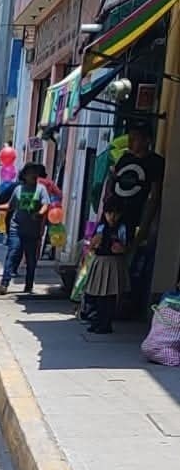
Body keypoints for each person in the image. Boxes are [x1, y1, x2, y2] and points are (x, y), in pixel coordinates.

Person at [104, 121, 164, 314]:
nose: (131, 141)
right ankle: (107, 301)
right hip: (115, 216)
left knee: (129, 260)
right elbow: (113, 185)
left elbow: (155, 195)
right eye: (130, 136)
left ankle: (123, 303)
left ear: (147, 140)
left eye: (136, 137)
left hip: (136, 218)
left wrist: (145, 226)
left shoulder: (155, 162)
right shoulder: (124, 159)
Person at [0, 163, 49, 295]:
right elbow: (10, 206)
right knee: (13, 253)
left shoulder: (41, 189)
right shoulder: (18, 189)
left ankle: (29, 285)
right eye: (30, 173)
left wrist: (40, 213)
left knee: (31, 259)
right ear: (25, 175)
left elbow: (46, 204)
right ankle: (4, 283)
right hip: (16, 228)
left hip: (32, 231)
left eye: (35, 173)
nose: (33, 175)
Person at [85, 198, 130, 334]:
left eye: (116, 213)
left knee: (109, 296)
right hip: (100, 261)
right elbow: (91, 246)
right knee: (97, 295)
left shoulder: (122, 228)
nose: (112, 217)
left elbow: (125, 247)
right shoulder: (100, 227)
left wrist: (120, 248)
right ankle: (97, 321)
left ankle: (106, 323)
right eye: (109, 213)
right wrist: (94, 244)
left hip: (113, 263)